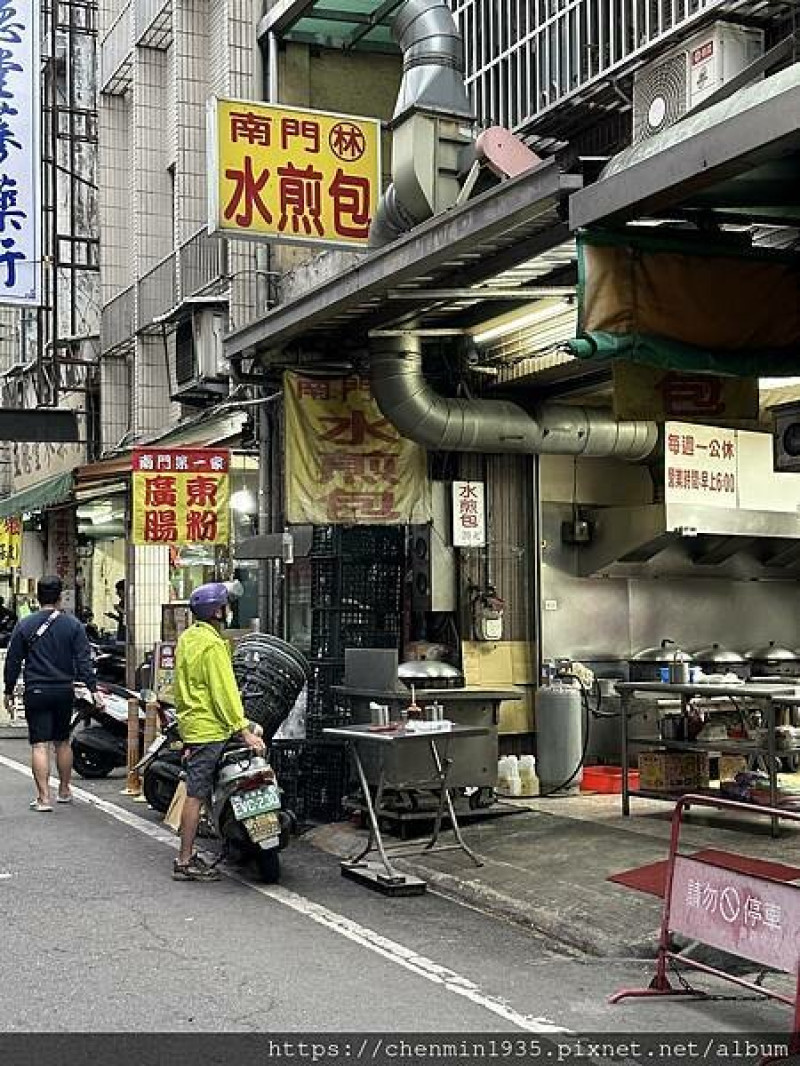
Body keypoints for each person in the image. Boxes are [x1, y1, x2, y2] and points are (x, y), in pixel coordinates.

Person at [172, 581, 263, 882]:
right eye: (226, 605)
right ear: (217, 611)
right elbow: (223, 692)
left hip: (194, 725)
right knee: (196, 794)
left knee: (202, 790)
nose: (230, 610)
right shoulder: (212, 646)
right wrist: (243, 729)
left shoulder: (189, 638)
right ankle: (184, 860)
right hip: (209, 729)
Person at [3, 575, 103, 812]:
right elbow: (84, 662)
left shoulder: (25, 624)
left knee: (39, 745)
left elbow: (13, 660)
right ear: (60, 597)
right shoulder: (74, 626)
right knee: (62, 742)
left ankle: (44, 798)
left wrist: (8, 690)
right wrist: (92, 688)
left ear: (38, 597)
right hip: (63, 690)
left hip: (36, 690)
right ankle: (65, 790)